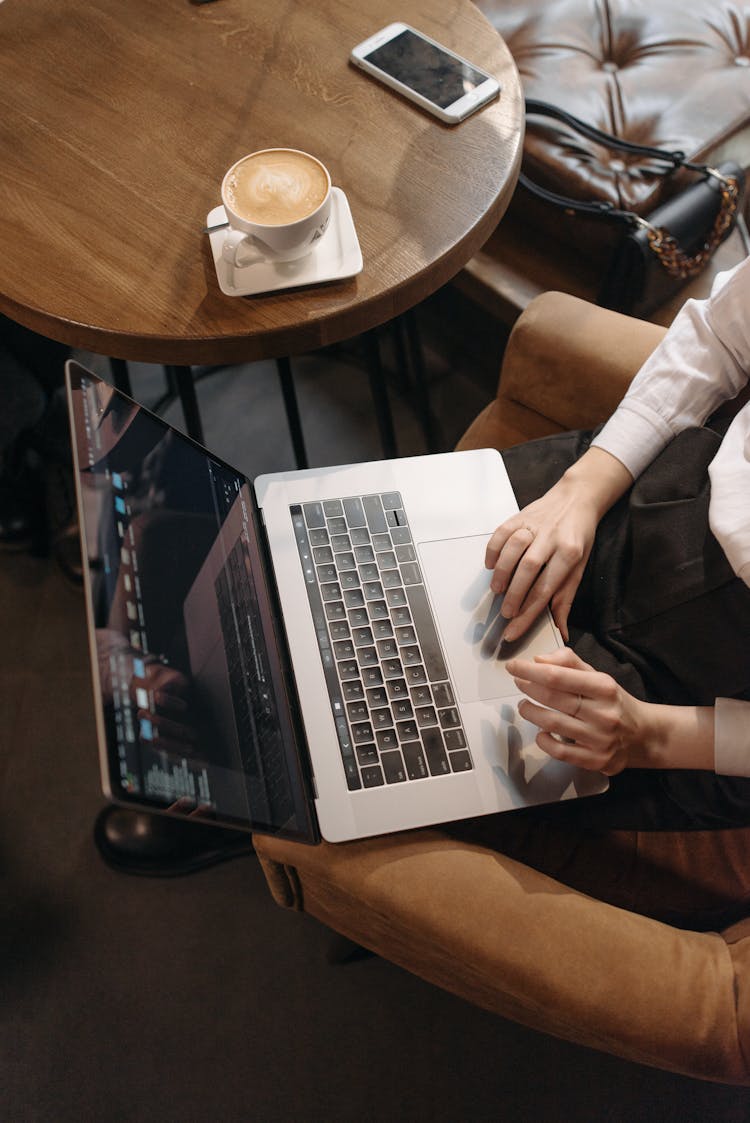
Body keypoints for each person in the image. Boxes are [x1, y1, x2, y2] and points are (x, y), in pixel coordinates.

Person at [477, 254, 750, 831]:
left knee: (406, 752)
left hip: (704, 701)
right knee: (352, 567)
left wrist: (646, 734)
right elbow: (723, 333)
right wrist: (582, 493)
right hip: (660, 488)